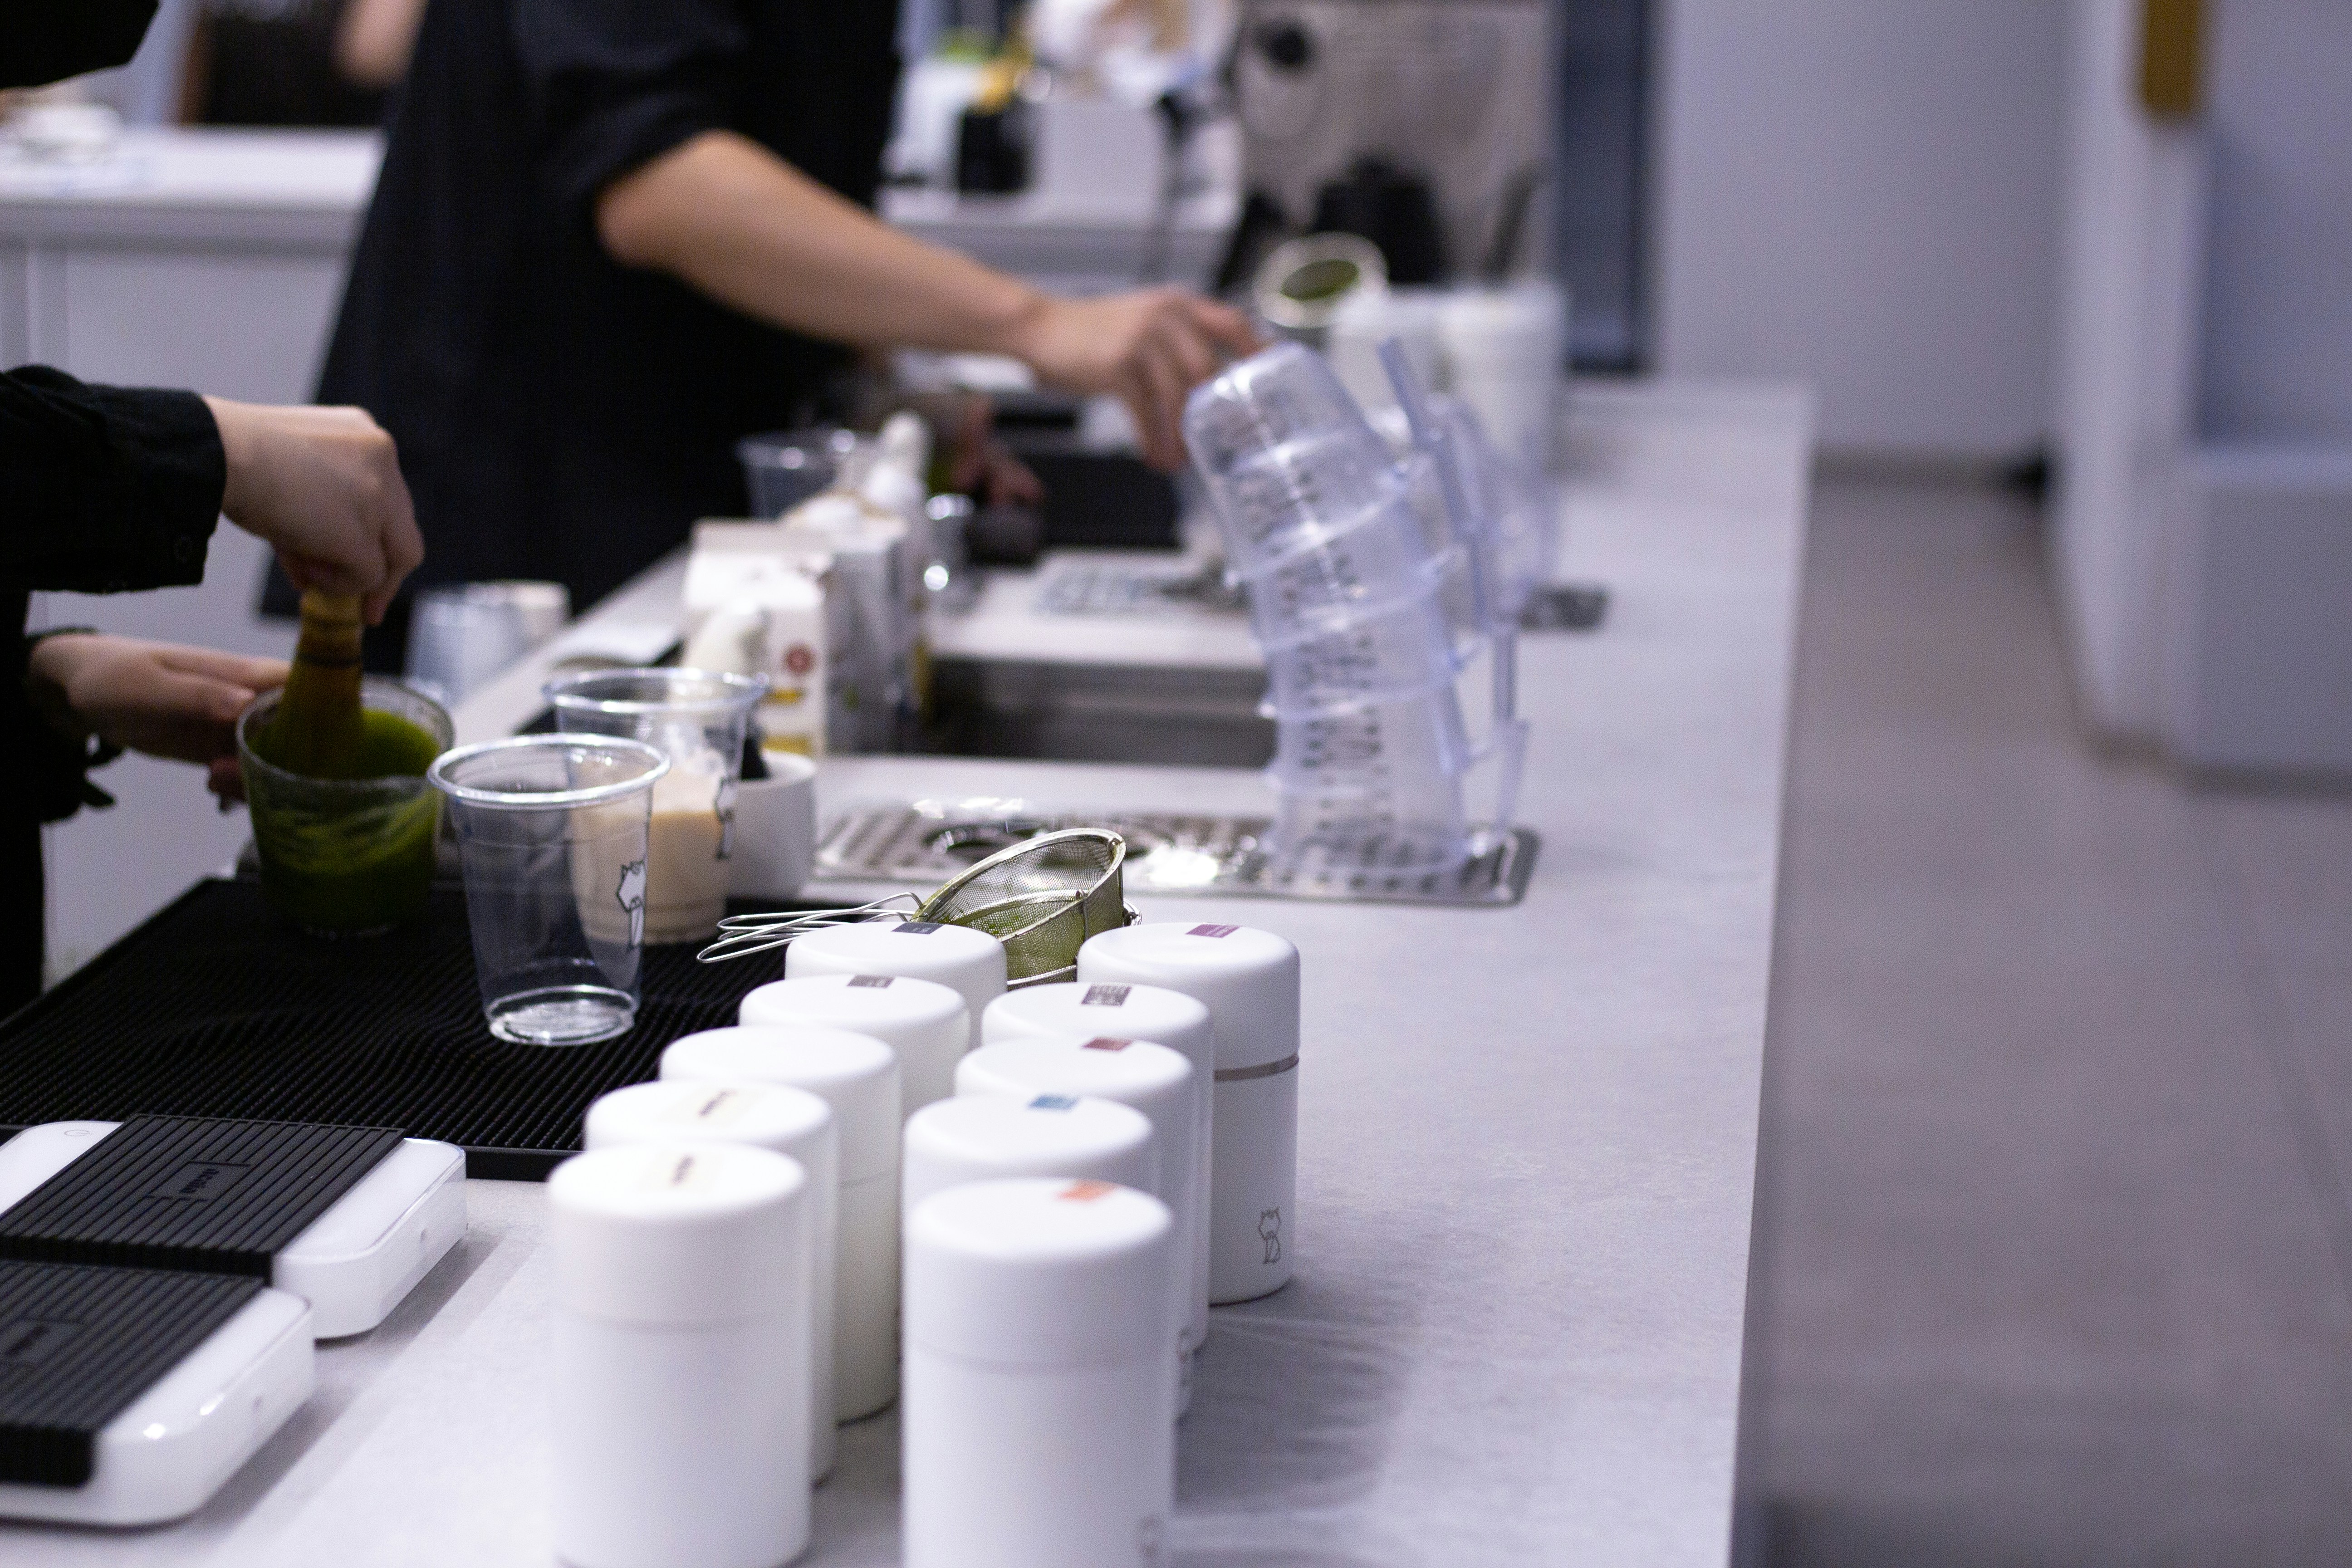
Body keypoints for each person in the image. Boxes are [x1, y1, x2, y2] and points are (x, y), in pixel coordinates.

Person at [316, 0, 1258, 664]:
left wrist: (880, 383)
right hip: (521, 516)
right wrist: (1038, 324)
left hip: (671, 491)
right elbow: (654, 181)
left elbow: (785, 156)